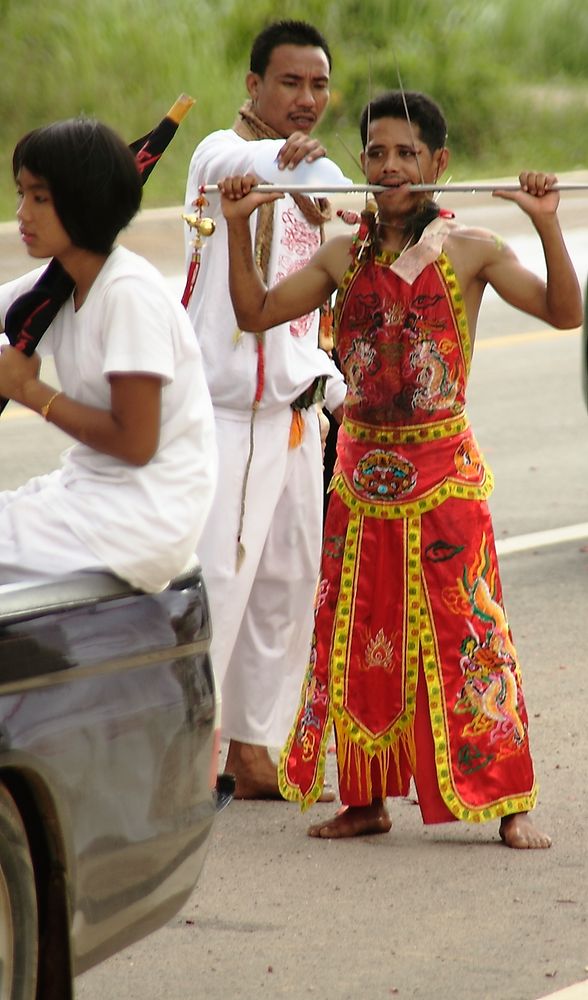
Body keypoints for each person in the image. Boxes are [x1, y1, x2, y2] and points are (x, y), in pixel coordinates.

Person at [217, 89, 583, 846]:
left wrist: (545, 225)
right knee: (359, 638)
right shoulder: (341, 252)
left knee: (471, 637)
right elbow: (255, 314)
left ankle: (508, 802)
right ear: (361, 162)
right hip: (358, 479)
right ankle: (366, 800)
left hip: (444, 478)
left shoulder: (472, 249)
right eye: (377, 153)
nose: (389, 168)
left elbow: (563, 311)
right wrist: (237, 226)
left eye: (407, 154)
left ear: (438, 164)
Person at [183, 19, 346, 798]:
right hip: (224, 421)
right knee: (217, 588)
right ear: (253, 87)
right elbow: (240, 160)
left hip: (293, 418)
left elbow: (345, 221)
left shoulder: (310, 178)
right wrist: (291, 166)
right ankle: (182, 758)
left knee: (286, 589)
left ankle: (254, 747)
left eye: (318, 85)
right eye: (290, 83)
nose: (306, 100)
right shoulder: (222, 157)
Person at [0, 117, 217, 593]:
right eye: (22, 195)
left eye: (40, 197)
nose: (23, 213)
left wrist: (27, 390)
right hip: (92, 492)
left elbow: (136, 442)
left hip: (138, 519)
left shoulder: (127, 293)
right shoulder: (62, 282)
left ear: (83, 202)